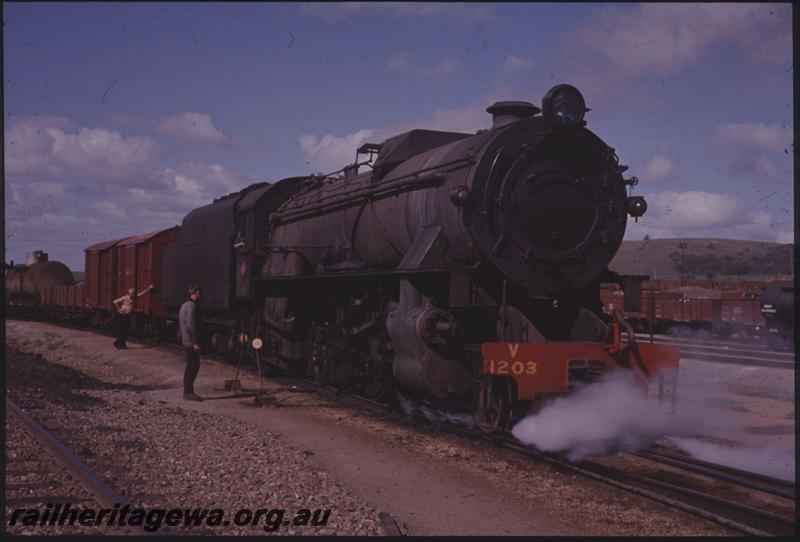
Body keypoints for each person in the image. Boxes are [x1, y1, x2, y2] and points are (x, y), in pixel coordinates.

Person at [180, 284, 203, 401]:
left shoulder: (184, 305)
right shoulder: (192, 306)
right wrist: (195, 342)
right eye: (199, 292)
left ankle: (188, 391)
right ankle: (188, 392)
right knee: (193, 366)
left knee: (190, 365)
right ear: (195, 293)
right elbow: (190, 325)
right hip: (191, 341)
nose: (200, 294)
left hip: (186, 340)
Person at [112, 285, 154, 349]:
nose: (133, 294)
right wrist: (118, 309)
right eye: (132, 293)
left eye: (134, 293)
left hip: (127, 316)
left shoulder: (135, 298)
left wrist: (148, 288)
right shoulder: (124, 297)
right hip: (121, 315)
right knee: (122, 330)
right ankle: (119, 344)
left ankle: (119, 343)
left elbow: (142, 293)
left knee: (127, 330)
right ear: (129, 293)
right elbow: (115, 301)